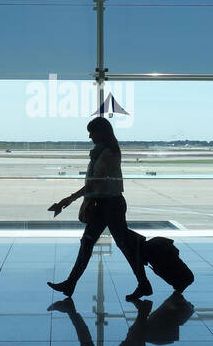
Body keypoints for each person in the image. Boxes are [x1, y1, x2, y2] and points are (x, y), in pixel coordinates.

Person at [47, 116, 152, 302]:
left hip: (110, 205)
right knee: (94, 244)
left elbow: (94, 183)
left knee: (121, 245)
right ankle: (71, 283)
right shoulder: (101, 151)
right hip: (104, 205)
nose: (89, 136)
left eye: (92, 132)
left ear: (101, 133)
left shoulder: (107, 153)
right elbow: (94, 183)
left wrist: (68, 199)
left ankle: (143, 283)